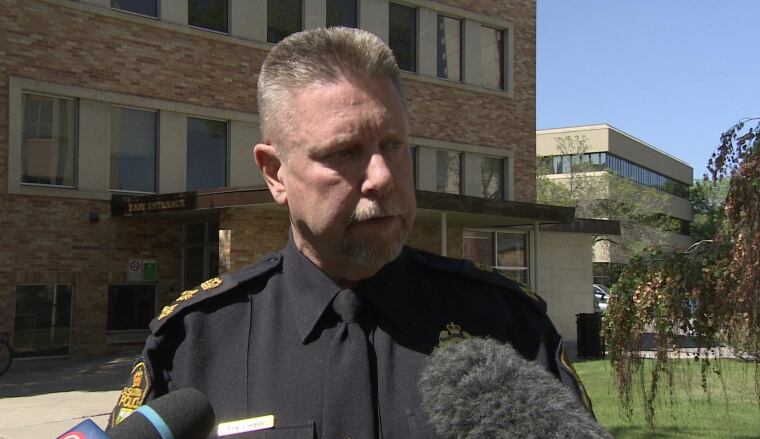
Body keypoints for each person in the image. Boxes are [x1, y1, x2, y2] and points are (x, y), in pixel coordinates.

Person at [109, 27, 591, 438]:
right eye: (345, 151)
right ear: (275, 173)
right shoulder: (196, 342)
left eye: (393, 145)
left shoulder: (507, 326)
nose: (381, 176)